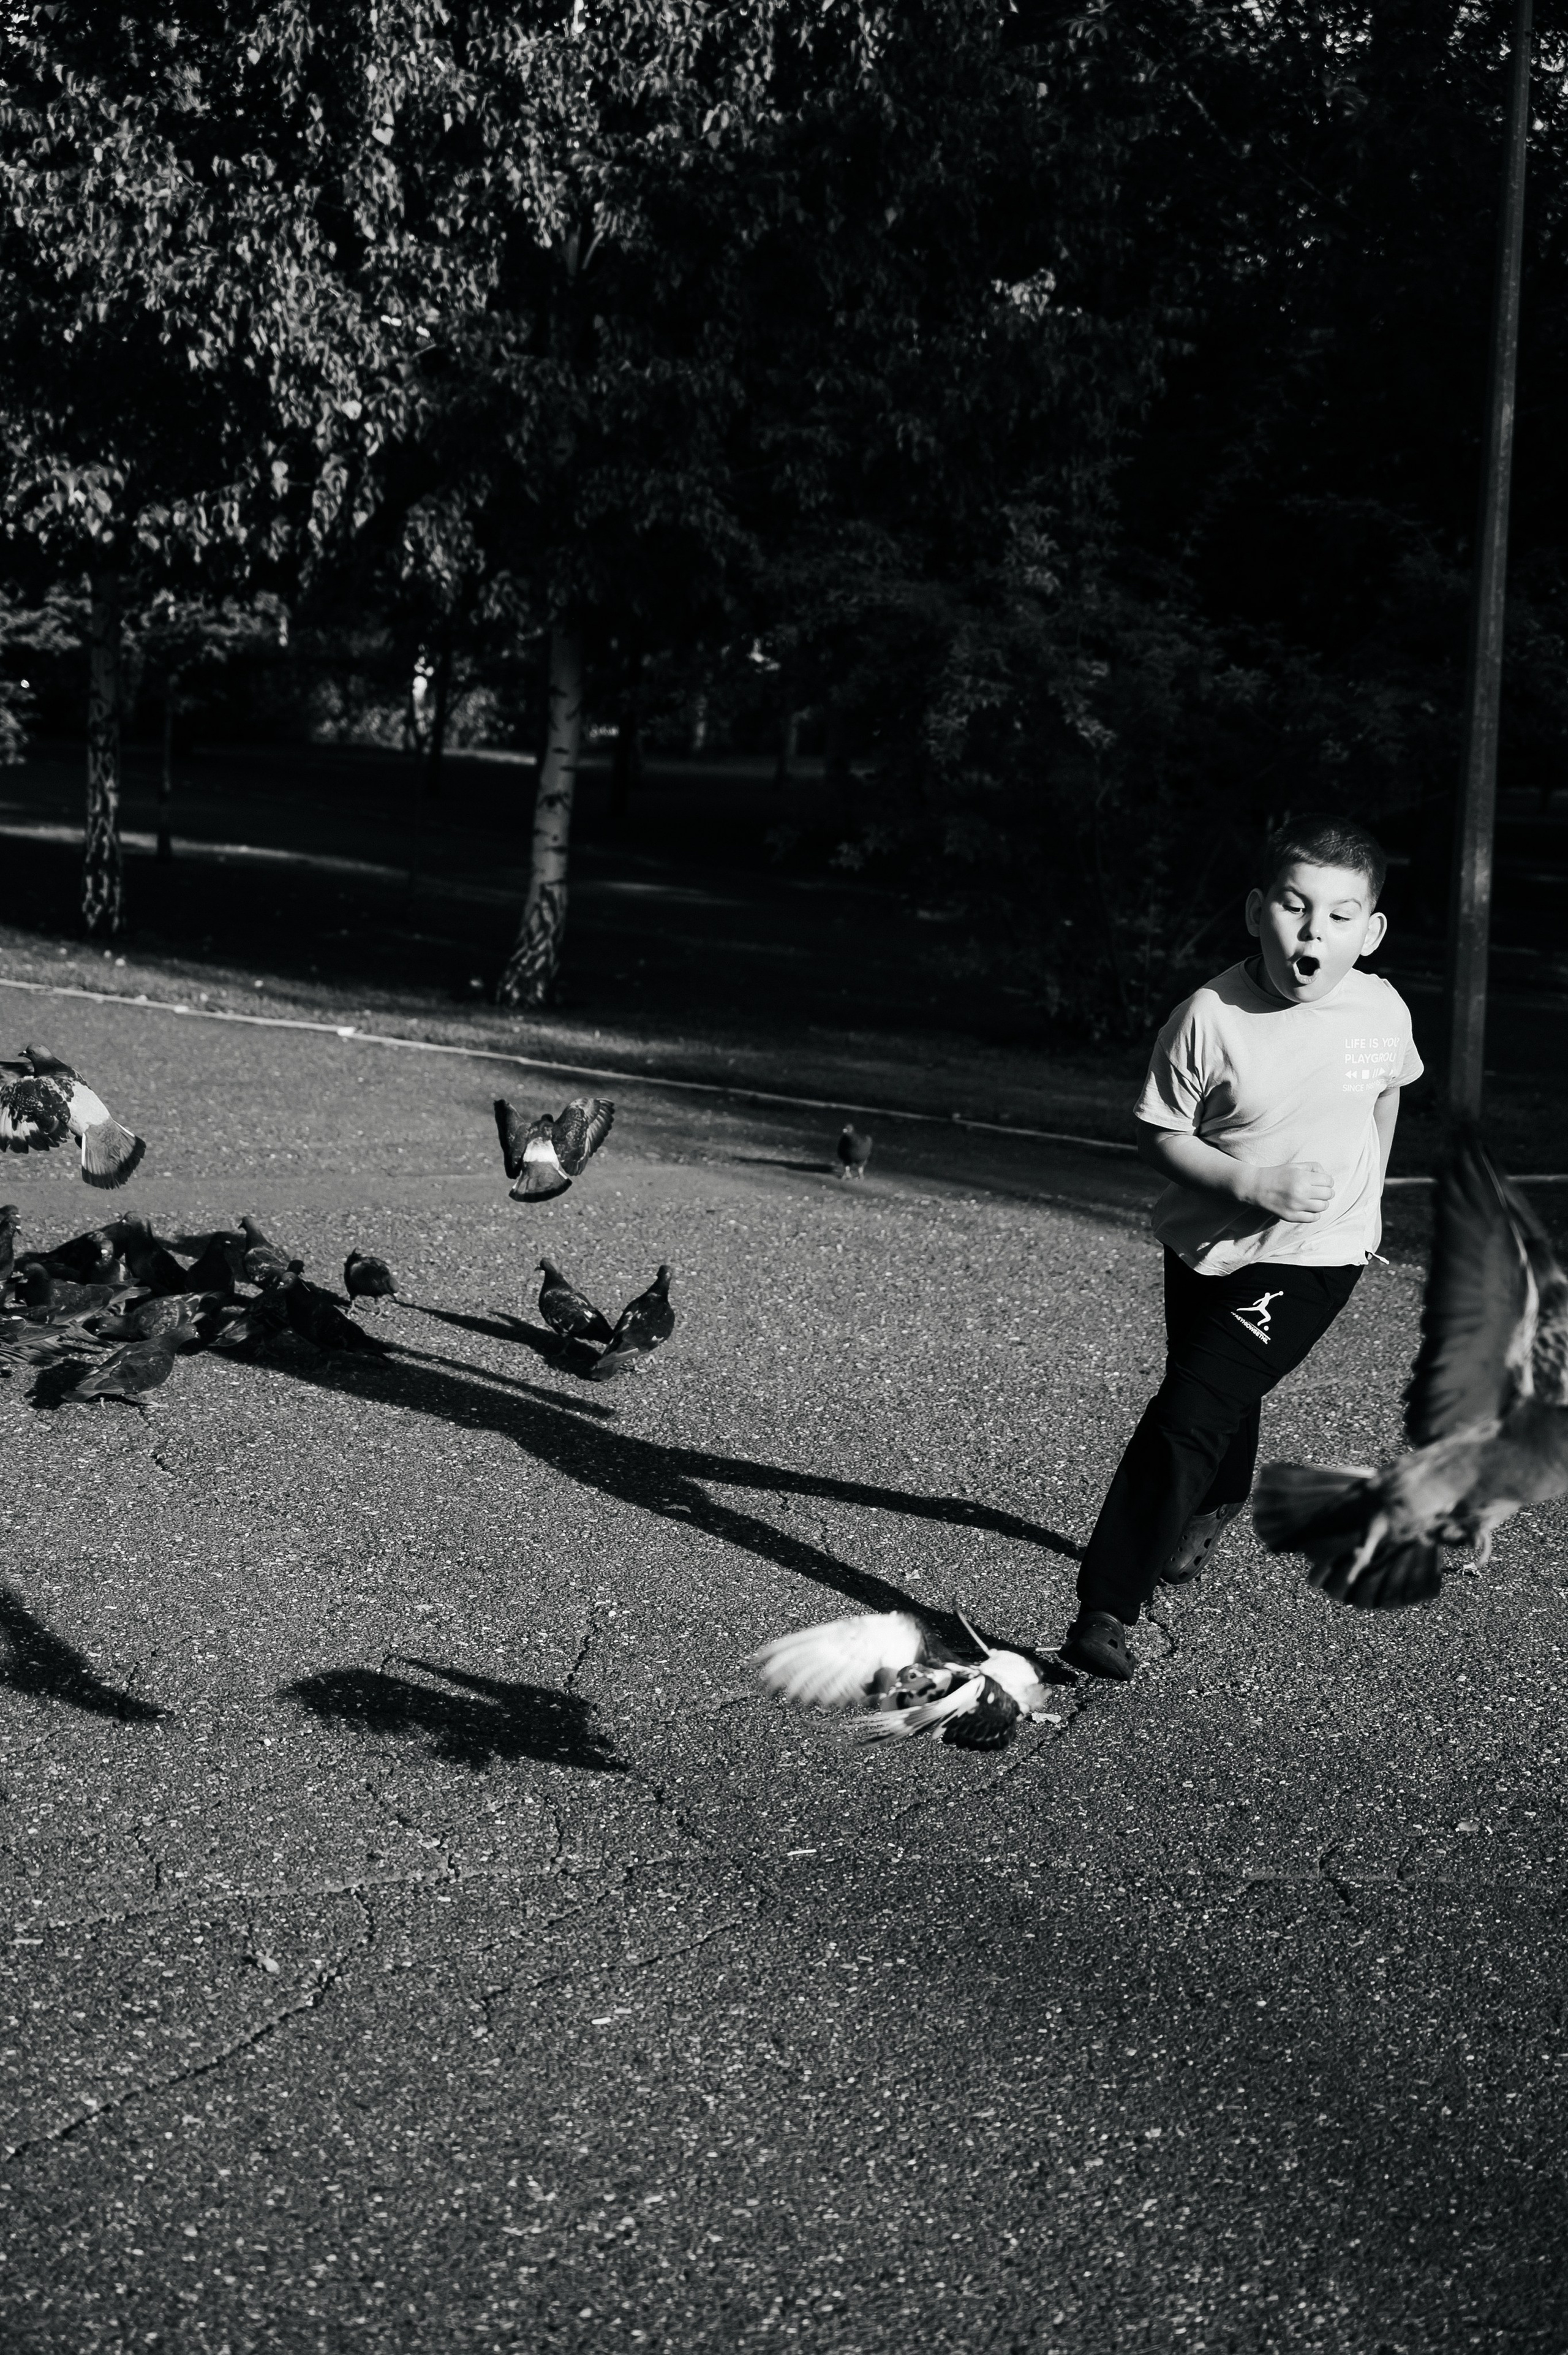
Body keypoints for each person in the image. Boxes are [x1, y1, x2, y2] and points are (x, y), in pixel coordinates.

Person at [1060, 815, 1425, 1680]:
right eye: (1296, 908)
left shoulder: (1381, 1008)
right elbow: (1158, 1133)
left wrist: (1365, 1199)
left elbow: (1387, 1093)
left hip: (1316, 1255)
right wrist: (1247, 1186)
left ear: (1369, 931)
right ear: (1258, 910)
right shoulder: (1209, 1017)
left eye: (1340, 916)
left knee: (1190, 1411)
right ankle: (1221, 1499)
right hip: (1204, 1242)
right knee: (1216, 1387)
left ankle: (1108, 1603)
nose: (1314, 931)